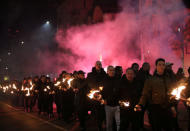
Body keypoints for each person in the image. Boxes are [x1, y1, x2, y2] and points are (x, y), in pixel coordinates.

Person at [135, 58, 177, 131]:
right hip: (155, 108)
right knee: (157, 127)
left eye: (163, 65)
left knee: (168, 127)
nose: (161, 66)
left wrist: (172, 107)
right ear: (156, 66)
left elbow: (171, 93)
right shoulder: (150, 80)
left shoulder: (168, 79)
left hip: (167, 107)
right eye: (159, 64)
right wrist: (140, 104)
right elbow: (145, 94)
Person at [87, 61, 107, 131]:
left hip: (103, 95)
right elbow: (88, 83)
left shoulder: (104, 74)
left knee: (103, 110)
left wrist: (102, 89)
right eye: (97, 64)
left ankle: (102, 123)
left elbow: (106, 83)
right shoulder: (90, 74)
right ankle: (98, 125)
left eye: (100, 64)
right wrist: (95, 90)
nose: (99, 65)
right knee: (96, 111)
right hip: (94, 95)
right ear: (95, 65)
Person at [102, 66, 120, 131]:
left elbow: (119, 91)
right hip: (108, 105)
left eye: (113, 70)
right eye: (110, 70)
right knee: (109, 123)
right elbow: (103, 92)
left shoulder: (118, 79)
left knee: (118, 123)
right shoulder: (104, 80)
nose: (112, 72)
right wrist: (104, 100)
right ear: (107, 71)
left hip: (117, 104)